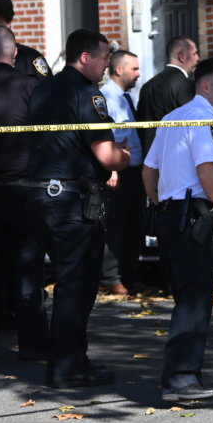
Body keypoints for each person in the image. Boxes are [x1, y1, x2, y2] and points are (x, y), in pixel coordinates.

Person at [25, 28, 131, 389]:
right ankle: (67, 367)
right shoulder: (88, 94)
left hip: (40, 195)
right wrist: (126, 157)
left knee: (69, 282)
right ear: (84, 57)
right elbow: (106, 153)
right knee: (77, 284)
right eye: (103, 57)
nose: (107, 64)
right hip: (71, 200)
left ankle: (71, 360)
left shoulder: (44, 89)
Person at [143, 57, 213, 403]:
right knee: (194, 301)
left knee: (185, 298)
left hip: (171, 216)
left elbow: (148, 171)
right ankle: (181, 379)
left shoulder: (172, 117)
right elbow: (207, 172)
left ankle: (183, 375)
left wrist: (160, 203)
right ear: (205, 86)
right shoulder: (207, 121)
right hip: (191, 216)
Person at [0, 25, 47, 361]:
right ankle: (33, 345)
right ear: (15, 54)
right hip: (25, 190)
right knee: (28, 269)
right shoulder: (32, 86)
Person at [99, 49, 146, 297]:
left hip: (135, 170)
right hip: (118, 171)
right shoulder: (106, 98)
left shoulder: (129, 98)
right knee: (115, 227)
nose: (138, 73)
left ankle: (130, 275)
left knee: (134, 227)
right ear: (119, 70)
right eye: (134, 68)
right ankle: (110, 277)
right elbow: (109, 137)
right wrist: (112, 171)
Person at [135, 36, 199, 154]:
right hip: (177, 158)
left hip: (151, 158)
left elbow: (140, 125)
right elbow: (195, 124)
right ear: (181, 57)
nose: (198, 58)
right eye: (195, 54)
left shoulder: (147, 86)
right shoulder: (186, 85)